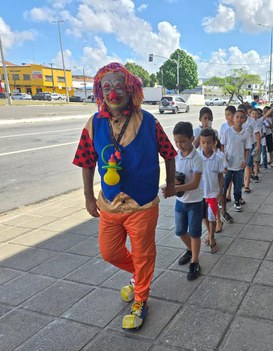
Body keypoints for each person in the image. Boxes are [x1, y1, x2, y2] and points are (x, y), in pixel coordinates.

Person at [72, 62, 177, 330]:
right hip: (109, 204)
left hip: (142, 204)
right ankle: (140, 276)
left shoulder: (149, 121)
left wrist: (171, 184)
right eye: (106, 87)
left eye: (119, 86)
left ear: (130, 89)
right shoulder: (94, 123)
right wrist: (87, 196)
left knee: (143, 254)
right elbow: (86, 161)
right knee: (109, 253)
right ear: (99, 91)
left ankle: (141, 298)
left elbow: (169, 152)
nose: (113, 92)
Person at [164, 121, 204, 281]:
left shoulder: (197, 158)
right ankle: (190, 250)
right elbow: (173, 177)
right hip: (180, 202)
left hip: (195, 202)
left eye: (182, 141)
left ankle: (195, 261)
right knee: (180, 230)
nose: (179, 145)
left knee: (195, 233)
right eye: (176, 141)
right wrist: (171, 184)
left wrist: (175, 189)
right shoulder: (175, 156)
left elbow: (194, 184)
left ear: (192, 138)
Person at [199, 128, 224, 253]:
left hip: (213, 194)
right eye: (203, 142)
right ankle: (209, 234)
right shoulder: (198, 158)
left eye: (209, 142)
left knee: (212, 217)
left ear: (214, 142)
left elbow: (220, 176)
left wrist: (220, 192)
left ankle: (212, 237)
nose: (206, 145)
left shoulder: (218, 159)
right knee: (204, 216)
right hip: (200, 195)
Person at [221, 109, 251, 212]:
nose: (239, 119)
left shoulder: (246, 134)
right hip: (227, 165)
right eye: (237, 116)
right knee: (224, 185)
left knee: (238, 186)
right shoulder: (227, 131)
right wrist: (223, 161)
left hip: (239, 165)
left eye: (242, 117)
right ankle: (222, 201)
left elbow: (247, 149)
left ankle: (237, 201)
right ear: (233, 118)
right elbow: (222, 146)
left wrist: (245, 161)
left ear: (245, 119)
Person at [243, 106, 261, 192]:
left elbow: (257, 133)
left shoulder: (251, 121)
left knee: (248, 164)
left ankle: (247, 184)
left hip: (249, 145)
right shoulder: (236, 121)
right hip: (239, 146)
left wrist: (258, 145)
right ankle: (244, 179)